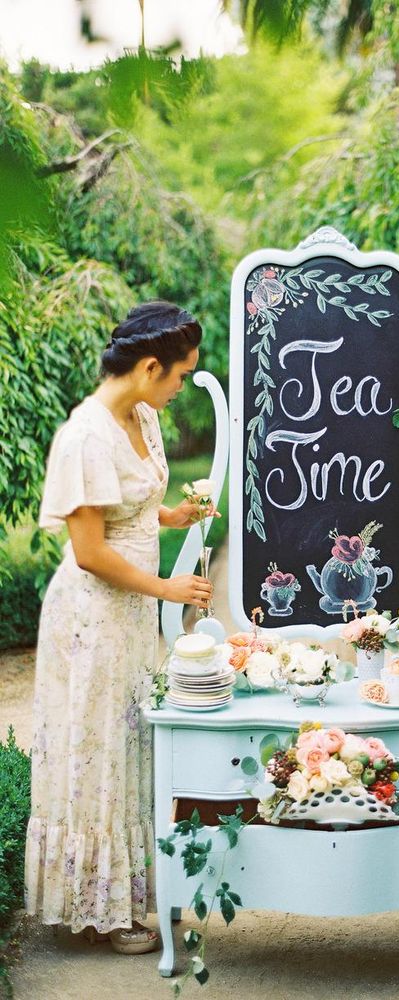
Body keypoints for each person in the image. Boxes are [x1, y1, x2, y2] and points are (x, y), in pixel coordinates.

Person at [25, 302, 217, 954]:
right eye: (179, 376)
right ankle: (100, 910)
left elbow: (129, 508)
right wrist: (167, 587)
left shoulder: (142, 417)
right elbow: (89, 549)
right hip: (90, 618)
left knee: (133, 748)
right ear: (148, 365)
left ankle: (133, 895)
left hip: (129, 616)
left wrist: (173, 515)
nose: (179, 388)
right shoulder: (85, 437)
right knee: (98, 753)